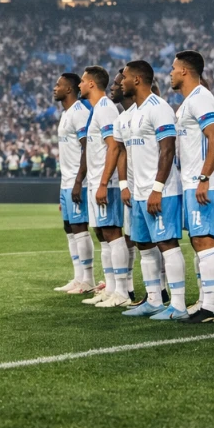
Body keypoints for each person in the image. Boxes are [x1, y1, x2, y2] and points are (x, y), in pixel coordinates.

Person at [119, 61, 187, 320]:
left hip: (161, 191)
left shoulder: (159, 108)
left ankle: (178, 305)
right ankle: (154, 300)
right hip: (139, 193)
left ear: (137, 80)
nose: (122, 81)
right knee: (145, 245)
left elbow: (168, 149)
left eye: (124, 77)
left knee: (167, 244)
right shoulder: (136, 112)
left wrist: (157, 189)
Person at [168, 51, 214, 324]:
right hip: (194, 181)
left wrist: (204, 178)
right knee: (199, 241)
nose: (170, 73)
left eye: (173, 68)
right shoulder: (189, 102)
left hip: (205, 183)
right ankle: (207, 301)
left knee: (205, 241)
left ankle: (212, 307)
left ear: (184, 71)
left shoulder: (201, 98)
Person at [77, 66, 127, 307]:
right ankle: (111, 288)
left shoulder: (106, 108)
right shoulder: (98, 109)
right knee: (103, 235)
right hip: (98, 182)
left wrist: (105, 183)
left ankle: (122, 291)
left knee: (113, 234)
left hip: (108, 183)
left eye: (82, 81)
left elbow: (114, 146)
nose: (79, 85)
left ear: (92, 84)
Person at [54, 72, 95, 295]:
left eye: (58, 85)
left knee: (80, 228)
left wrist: (79, 181)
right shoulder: (67, 113)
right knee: (69, 227)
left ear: (69, 89)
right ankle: (78, 277)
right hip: (67, 181)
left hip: (80, 181)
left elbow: (87, 146)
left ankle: (88, 279)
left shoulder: (80, 112)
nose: (55, 88)